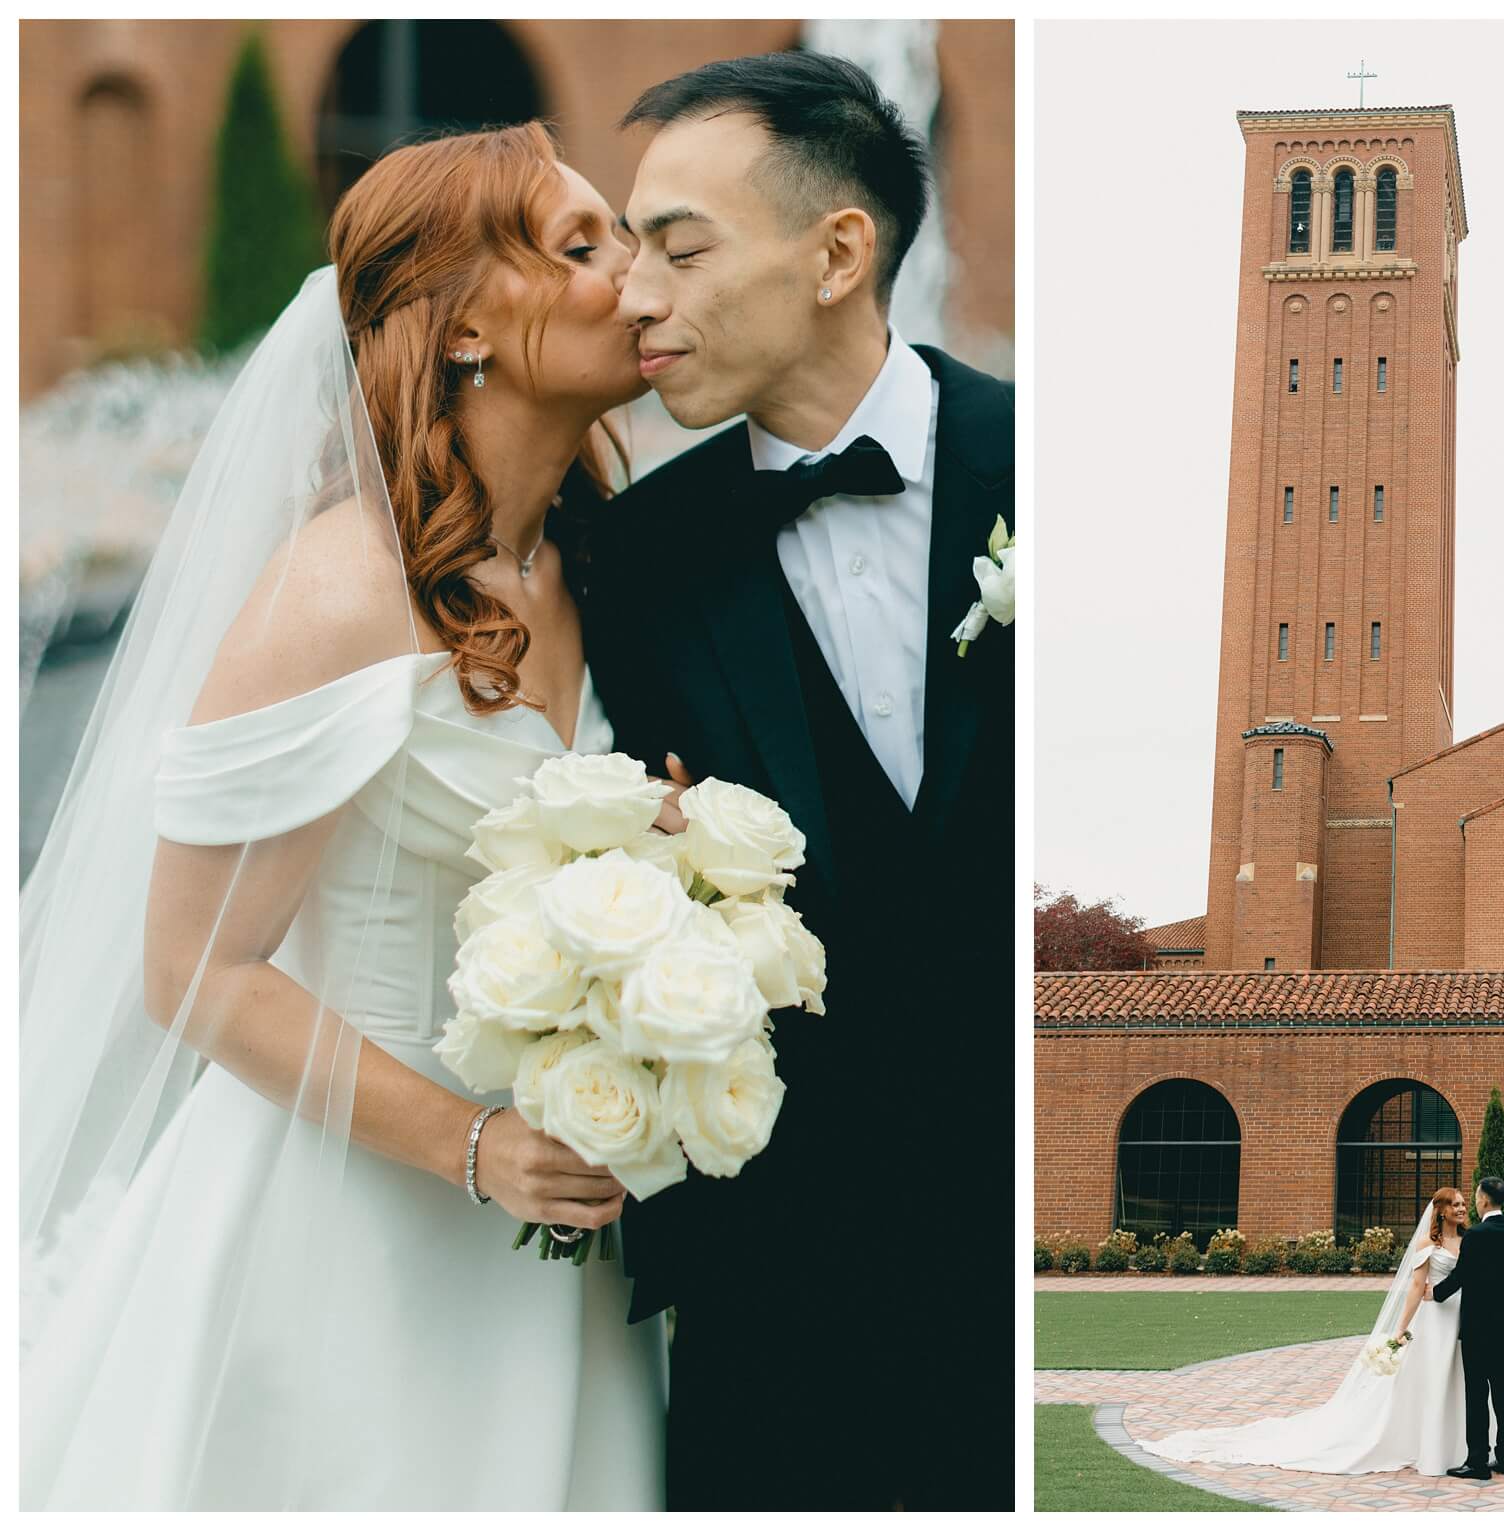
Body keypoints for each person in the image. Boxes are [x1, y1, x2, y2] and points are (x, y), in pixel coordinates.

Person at [19, 124, 671, 1510]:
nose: (639, 270)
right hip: (340, 1248)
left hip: (558, 1249)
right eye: (583, 244)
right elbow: (193, 968)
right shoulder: (338, 593)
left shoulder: (598, 565)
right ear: (466, 331)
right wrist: (473, 1145)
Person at [577, 53, 1015, 1511]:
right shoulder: (631, 565)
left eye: (678, 247)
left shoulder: (1047, 460)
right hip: (780, 1300)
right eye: (628, 247)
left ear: (840, 252)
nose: (636, 295)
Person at [1135, 1189, 1486, 1476]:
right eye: (1454, 1204)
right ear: (1439, 1211)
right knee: (1432, 1379)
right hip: (1433, 1321)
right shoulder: (1427, 1245)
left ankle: (1460, 1448)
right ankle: (1430, 1450)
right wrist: (1400, 1329)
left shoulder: (1469, 1240)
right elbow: (1415, 1287)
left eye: (1462, 1204)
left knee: (1457, 1379)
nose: (1461, 1208)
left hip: (1462, 1318)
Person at [1426, 1174, 1504, 1479]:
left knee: (1476, 1393)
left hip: (1475, 1324)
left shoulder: (1475, 1235)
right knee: (1503, 1392)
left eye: (1475, 1197)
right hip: (1501, 1323)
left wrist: (1436, 1293)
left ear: (1483, 1199)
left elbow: (1462, 1275)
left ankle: (1478, 1461)